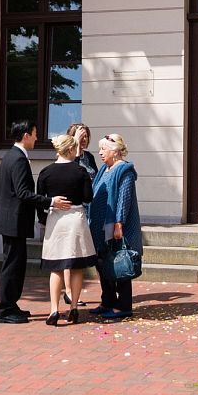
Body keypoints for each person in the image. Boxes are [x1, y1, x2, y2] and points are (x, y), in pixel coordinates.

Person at [0, 120, 70, 324]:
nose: (37, 138)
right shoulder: (17, 159)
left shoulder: (12, 155)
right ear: (26, 135)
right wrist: (50, 201)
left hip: (12, 220)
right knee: (12, 266)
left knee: (15, 265)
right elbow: (23, 193)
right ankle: (4, 309)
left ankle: (10, 304)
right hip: (13, 221)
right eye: (35, 133)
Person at [36, 133, 96, 326]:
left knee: (56, 267)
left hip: (56, 219)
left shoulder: (45, 172)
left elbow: (40, 200)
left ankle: (54, 309)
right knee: (76, 266)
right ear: (71, 149)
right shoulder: (80, 171)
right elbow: (88, 197)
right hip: (75, 218)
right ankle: (74, 308)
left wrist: (44, 218)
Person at [88, 132, 142, 322]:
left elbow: (124, 199)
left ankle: (124, 305)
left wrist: (119, 223)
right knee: (103, 264)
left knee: (120, 264)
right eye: (100, 149)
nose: (100, 153)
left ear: (116, 151)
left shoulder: (125, 170)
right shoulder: (104, 169)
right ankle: (108, 300)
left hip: (118, 227)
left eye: (104, 149)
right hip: (100, 227)